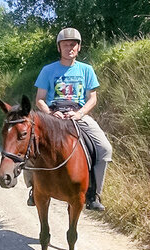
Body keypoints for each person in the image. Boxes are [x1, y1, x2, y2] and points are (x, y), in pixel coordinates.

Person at [24, 27, 112, 211]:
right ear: (59, 47)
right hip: (52, 114)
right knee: (27, 142)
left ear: (78, 47)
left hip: (77, 114)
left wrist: (79, 114)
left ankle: (94, 194)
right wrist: (49, 113)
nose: (70, 47)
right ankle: (34, 187)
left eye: (73, 44)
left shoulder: (86, 70)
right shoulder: (47, 71)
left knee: (104, 149)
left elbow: (92, 98)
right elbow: (39, 99)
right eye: (66, 44)